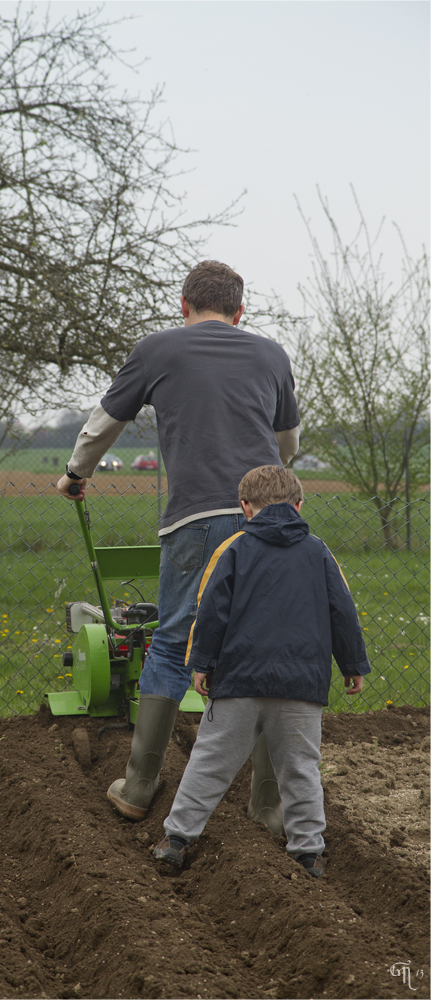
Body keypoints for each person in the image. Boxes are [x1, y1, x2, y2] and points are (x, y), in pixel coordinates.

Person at [57, 260, 301, 827]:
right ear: (241, 312)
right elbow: (286, 440)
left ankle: (139, 785)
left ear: (183, 304)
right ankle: (267, 806)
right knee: (264, 647)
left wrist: (75, 472)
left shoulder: (157, 350)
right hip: (267, 519)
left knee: (170, 643)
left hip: (193, 520)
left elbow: (104, 422)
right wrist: (269, 478)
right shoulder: (270, 354)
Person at [152, 465, 371, 875]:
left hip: (239, 682)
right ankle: (308, 852)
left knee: (210, 763)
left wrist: (201, 663)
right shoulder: (319, 550)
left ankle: (177, 840)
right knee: (301, 767)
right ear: (300, 505)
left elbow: (211, 610)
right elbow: (342, 610)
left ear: (245, 507)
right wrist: (353, 664)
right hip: (300, 686)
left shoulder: (234, 548)